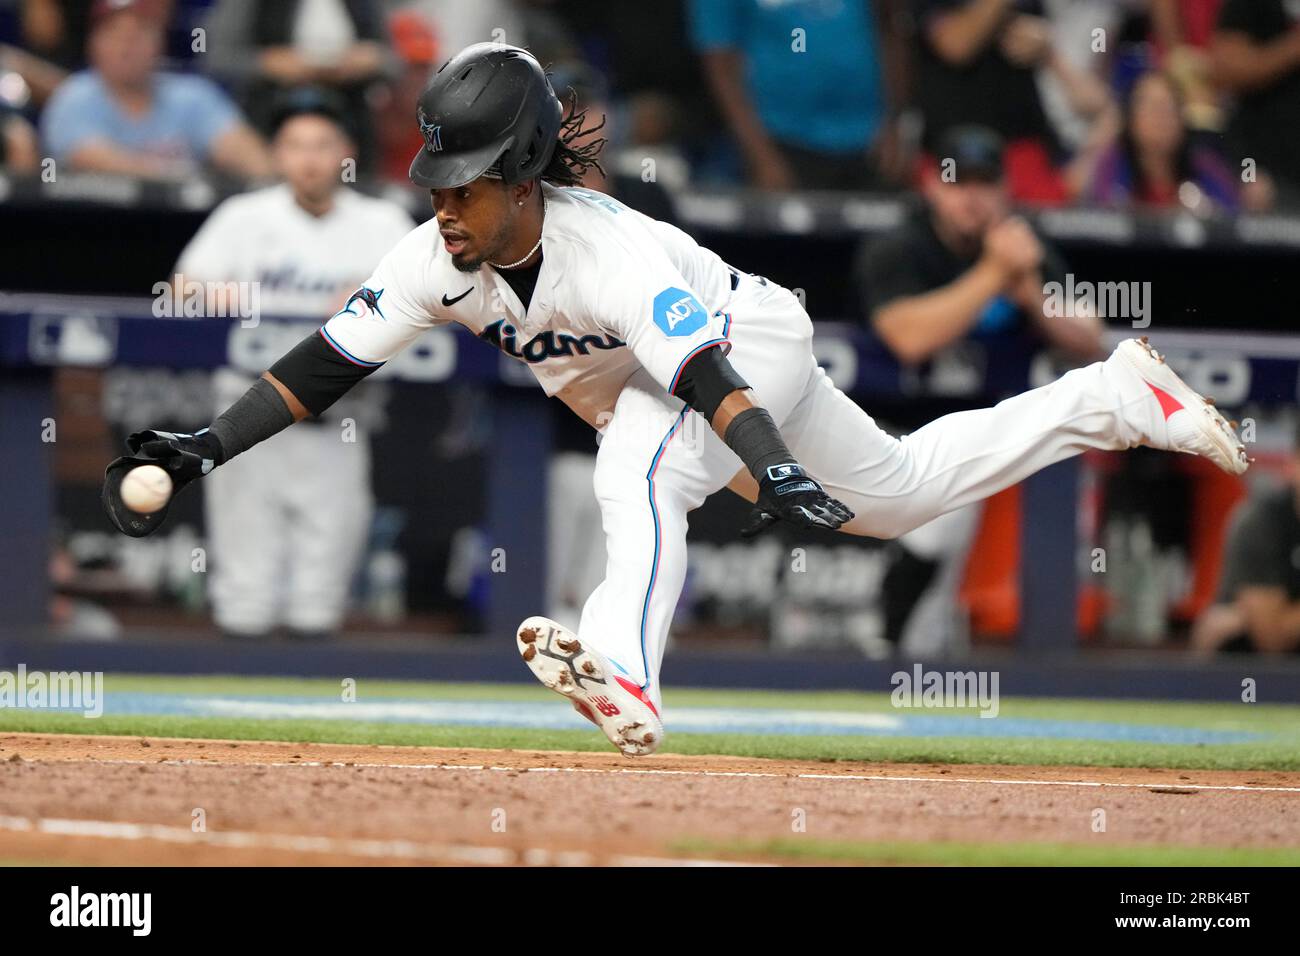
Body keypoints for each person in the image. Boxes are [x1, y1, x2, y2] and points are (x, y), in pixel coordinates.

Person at [103, 43, 1249, 757]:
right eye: (434, 180)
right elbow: (320, 366)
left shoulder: (609, 255)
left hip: (743, 342)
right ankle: (1110, 393)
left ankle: (627, 671)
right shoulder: (432, 259)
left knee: (641, 461)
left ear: (524, 172)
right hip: (702, 383)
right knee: (902, 494)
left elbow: (699, 375)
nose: (444, 202)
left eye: (466, 181)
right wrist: (201, 447)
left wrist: (770, 459)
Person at [169, 87, 414, 639]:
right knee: (244, 602)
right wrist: (221, 298)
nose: (309, 158)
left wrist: (378, 297)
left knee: (318, 604)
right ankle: (237, 718)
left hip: (338, 425)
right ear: (278, 154)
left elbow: (433, 303)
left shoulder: (384, 221)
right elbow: (180, 288)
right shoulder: (242, 216)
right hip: (246, 423)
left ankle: (312, 719)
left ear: (345, 152)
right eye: (295, 144)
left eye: (323, 144)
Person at [856, 123, 1102, 655]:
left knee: (937, 618)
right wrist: (992, 275)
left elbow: (1087, 333)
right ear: (932, 186)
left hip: (970, 435)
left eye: (984, 183)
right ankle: (884, 641)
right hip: (881, 428)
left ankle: (902, 659)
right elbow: (908, 337)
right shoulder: (903, 245)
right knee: (938, 522)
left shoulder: (1021, 246)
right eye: (957, 182)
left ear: (1004, 190)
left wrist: (1028, 290)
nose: (972, 197)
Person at [39, 0, 270, 180]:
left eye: (139, 34)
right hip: (89, 225)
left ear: (159, 42)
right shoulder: (74, 96)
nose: (126, 46)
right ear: (93, 43)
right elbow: (94, 160)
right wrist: (182, 178)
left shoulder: (192, 94)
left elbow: (250, 157)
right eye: (115, 34)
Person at [689, 0, 905, 190]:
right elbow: (719, 63)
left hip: (869, 142)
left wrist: (893, 122)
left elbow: (893, 30)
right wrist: (761, 156)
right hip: (780, 139)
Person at [1193, 422, 1300, 656]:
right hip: (1251, 675)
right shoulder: (1262, 521)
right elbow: (1272, 638)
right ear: (1292, 464)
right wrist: (1270, 618)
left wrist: (1282, 615)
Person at [1080, 70, 1239, 212]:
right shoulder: (1111, 165)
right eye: (1154, 108)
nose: (1163, 119)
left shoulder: (1205, 166)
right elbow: (1108, 217)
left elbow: (1231, 219)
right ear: (1131, 119)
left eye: (1170, 109)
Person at [1209, 0, 1300, 208]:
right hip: (1256, 162)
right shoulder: (1252, 6)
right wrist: (1294, 46)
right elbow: (1226, 70)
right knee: (1252, 188)